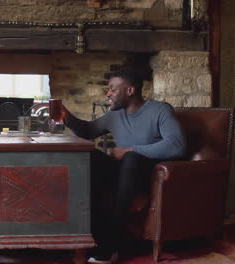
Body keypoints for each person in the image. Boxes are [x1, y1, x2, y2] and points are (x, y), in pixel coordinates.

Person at [62, 69, 186, 264]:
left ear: (130, 90)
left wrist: (129, 149)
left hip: (148, 176)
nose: (108, 94)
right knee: (90, 156)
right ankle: (89, 238)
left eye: (112, 89)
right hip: (121, 175)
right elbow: (88, 130)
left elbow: (177, 145)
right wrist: (63, 113)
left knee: (131, 159)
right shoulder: (115, 115)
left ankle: (112, 245)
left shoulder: (160, 110)